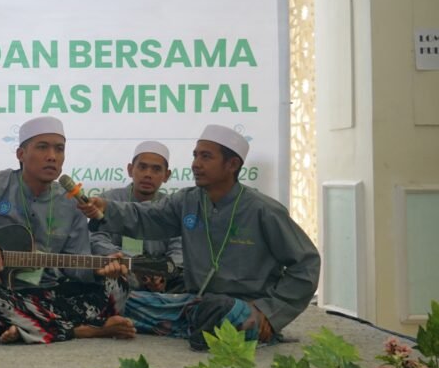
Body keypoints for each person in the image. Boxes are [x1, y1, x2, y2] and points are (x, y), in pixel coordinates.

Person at [84, 124, 321, 349]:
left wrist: (271, 311)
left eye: (206, 157)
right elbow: (146, 216)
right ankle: (199, 325)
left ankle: (209, 325)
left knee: (221, 309)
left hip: (243, 306)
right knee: (118, 299)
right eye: (195, 156)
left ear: (232, 164)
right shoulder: (188, 201)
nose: (196, 164)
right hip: (195, 301)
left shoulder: (264, 210)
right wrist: (107, 208)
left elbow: (307, 264)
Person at [0, 116, 136, 344]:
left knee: (118, 284)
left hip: (48, 292)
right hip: (2, 291)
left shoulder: (71, 203)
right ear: (21, 154)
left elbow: (74, 267)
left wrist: (99, 271)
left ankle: (28, 326)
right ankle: (79, 329)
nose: (52, 156)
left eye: (59, 149)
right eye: (42, 147)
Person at [90, 140, 185, 293]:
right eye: (142, 167)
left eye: (156, 169)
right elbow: (97, 239)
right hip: (118, 280)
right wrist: (134, 264)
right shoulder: (108, 200)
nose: (148, 174)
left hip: (162, 287)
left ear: (166, 175)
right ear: (130, 169)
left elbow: (179, 247)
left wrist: (164, 274)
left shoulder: (171, 207)